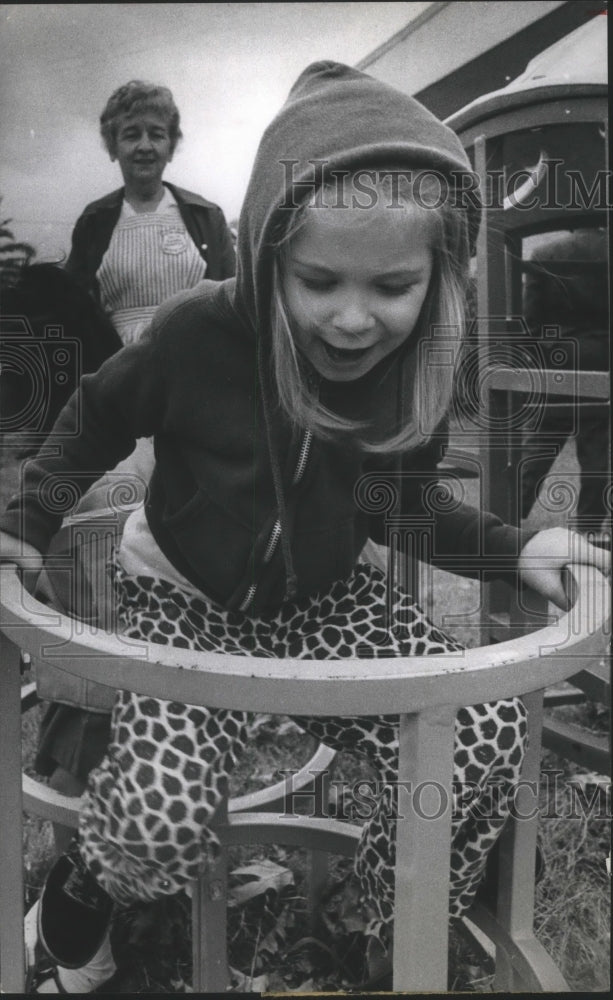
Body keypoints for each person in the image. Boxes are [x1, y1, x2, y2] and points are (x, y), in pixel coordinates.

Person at [1, 61, 609, 993]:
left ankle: (375, 914)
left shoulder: (414, 365)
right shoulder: (196, 332)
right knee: (162, 813)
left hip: (324, 597)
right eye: (319, 280)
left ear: (434, 276)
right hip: (184, 596)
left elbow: (397, 503)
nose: (355, 318)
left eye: (392, 286)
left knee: (485, 729)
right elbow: (95, 415)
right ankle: (82, 900)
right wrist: (29, 518)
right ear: (270, 254)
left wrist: (513, 544)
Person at [30, 80, 237, 859]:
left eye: (156, 133)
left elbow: (235, 308)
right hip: (117, 394)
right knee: (96, 541)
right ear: (112, 145)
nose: (144, 146)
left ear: (171, 142)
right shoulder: (93, 224)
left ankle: (186, 710)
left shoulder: (205, 219)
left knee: (181, 546)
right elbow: (71, 320)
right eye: (130, 135)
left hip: (195, 396)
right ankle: (87, 739)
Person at [520, 229, 610, 535]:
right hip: (603, 362)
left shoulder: (545, 254)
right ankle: (588, 528)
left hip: (557, 360)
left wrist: (548, 352)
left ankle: (508, 515)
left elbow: (531, 319)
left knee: (539, 447)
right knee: (597, 450)